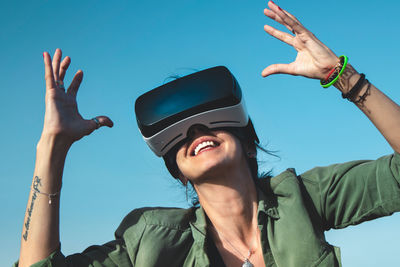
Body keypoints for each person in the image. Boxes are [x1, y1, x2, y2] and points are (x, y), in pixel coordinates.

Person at [17, 1, 400, 267]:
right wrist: (51, 147)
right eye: (181, 133)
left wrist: (343, 77)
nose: (195, 130)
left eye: (209, 120)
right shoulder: (150, 240)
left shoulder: (302, 199)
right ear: (177, 170)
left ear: (248, 143)